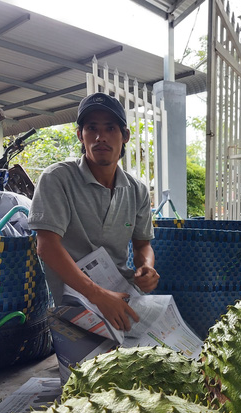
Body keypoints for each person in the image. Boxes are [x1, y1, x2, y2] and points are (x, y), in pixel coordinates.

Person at [29, 92, 159, 332]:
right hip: (75, 303)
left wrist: (147, 267)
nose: (101, 137)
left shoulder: (137, 190)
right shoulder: (57, 179)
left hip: (122, 295)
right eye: (92, 128)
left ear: (125, 136)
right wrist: (98, 295)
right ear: (80, 135)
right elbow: (46, 246)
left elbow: (142, 245)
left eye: (110, 128)